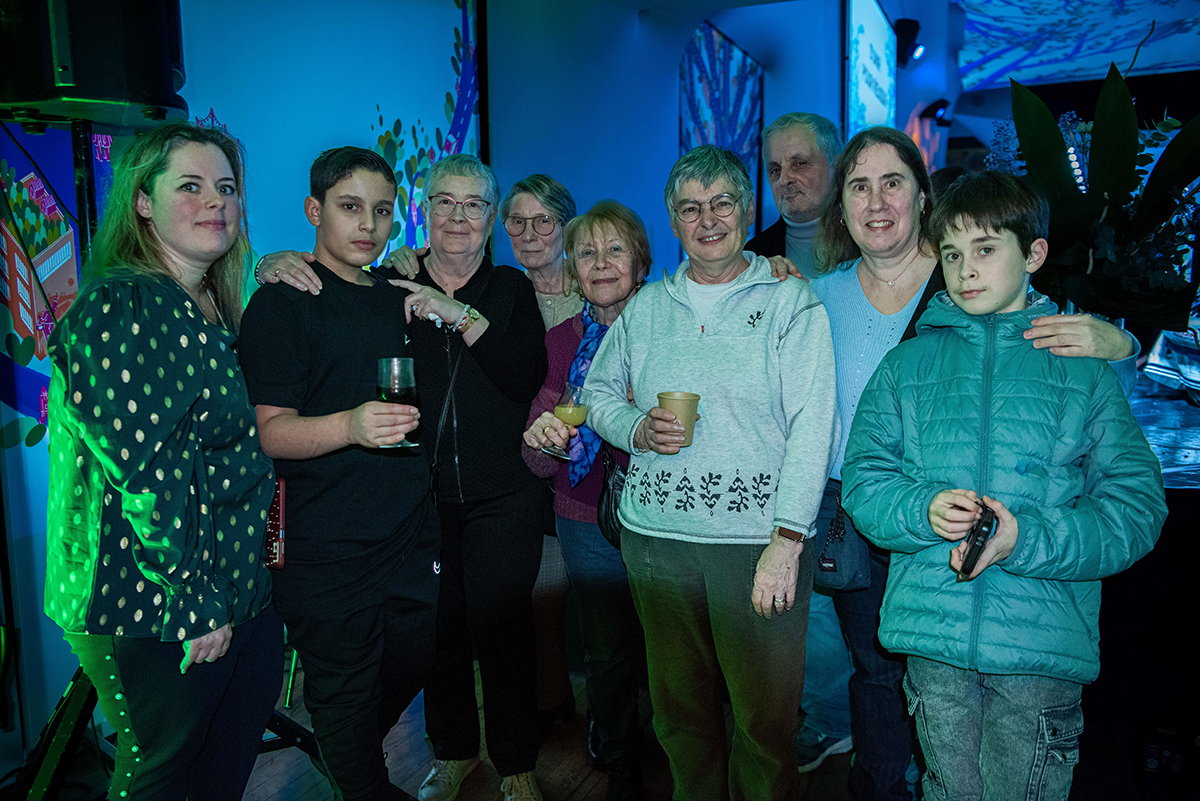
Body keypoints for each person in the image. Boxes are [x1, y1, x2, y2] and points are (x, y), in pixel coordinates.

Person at [807, 126, 1140, 801]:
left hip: (1039, 643)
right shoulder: (905, 364)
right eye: (955, 254)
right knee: (943, 782)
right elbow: (868, 476)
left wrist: (1028, 538)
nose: (966, 269)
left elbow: (1133, 504)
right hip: (933, 636)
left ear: (1033, 253)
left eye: (986, 250)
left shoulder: (1078, 366)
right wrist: (921, 508)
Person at [584, 145, 838, 801]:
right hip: (656, 540)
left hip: (755, 546)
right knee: (679, 716)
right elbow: (599, 392)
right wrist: (636, 428)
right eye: (690, 208)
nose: (708, 219)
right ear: (672, 220)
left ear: (747, 211)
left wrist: (788, 538)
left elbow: (815, 424)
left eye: (722, 203)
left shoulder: (789, 302)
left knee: (764, 724)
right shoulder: (646, 308)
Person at [44, 121, 282, 800]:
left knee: (217, 774)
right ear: (143, 201)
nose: (216, 202)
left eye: (227, 188)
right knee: (162, 777)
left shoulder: (209, 305)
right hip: (154, 603)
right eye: (190, 186)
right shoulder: (125, 305)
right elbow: (147, 474)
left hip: (233, 590)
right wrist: (193, 595)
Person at [237, 146, 437, 801]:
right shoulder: (282, 303)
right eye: (351, 207)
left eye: (382, 210)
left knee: (421, 650)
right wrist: (351, 425)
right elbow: (271, 432)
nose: (369, 224)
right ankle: (361, 774)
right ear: (314, 210)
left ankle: (348, 757)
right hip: (322, 543)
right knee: (344, 695)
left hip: (407, 531)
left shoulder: (394, 296)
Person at [374, 154, 549, 801]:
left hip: (504, 495)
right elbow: (327, 304)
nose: (457, 215)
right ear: (423, 210)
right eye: (444, 201)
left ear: (490, 217)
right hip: (419, 498)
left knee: (504, 630)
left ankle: (517, 763)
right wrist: (273, 265)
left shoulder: (510, 289)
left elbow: (522, 376)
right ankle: (452, 753)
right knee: (437, 631)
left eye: (473, 204)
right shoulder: (390, 284)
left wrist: (456, 314)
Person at [522, 201, 651, 800]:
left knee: (668, 641)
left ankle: (672, 743)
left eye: (615, 250)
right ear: (573, 268)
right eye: (587, 252)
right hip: (581, 514)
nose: (601, 263)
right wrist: (544, 439)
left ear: (641, 262)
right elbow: (534, 460)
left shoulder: (670, 329)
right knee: (606, 648)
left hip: (661, 512)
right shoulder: (560, 341)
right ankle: (619, 755)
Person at [746, 111, 857, 774]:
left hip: (871, 457)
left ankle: (885, 725)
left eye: (801, 162)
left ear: (834, 164)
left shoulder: (876, 239)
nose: (786, 178)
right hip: (787, 460)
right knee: (806, 601)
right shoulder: (753, 256)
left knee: (870, 602)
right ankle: (832, 715)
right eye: (775, 168)